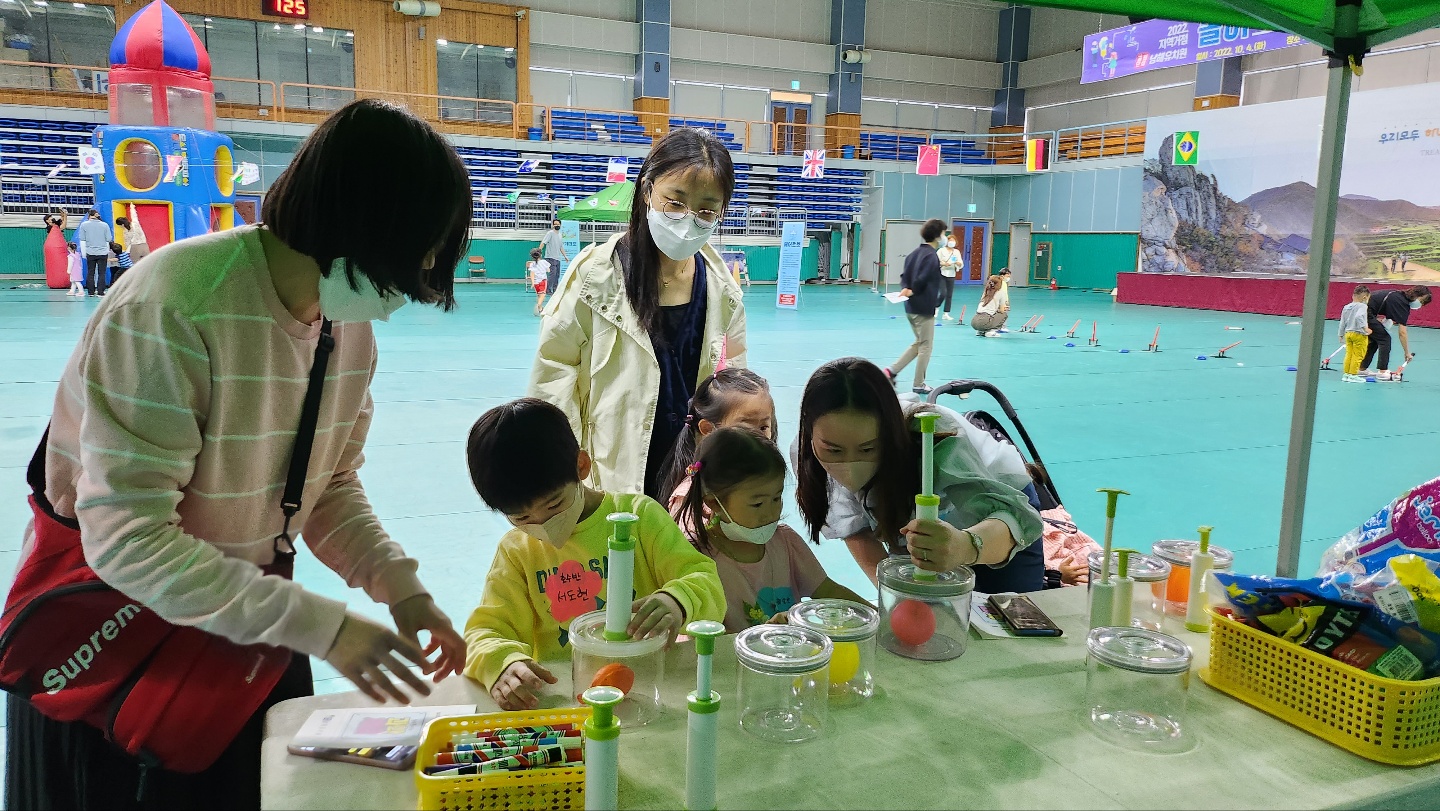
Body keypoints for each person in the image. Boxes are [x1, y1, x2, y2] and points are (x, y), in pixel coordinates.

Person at [4, 98, 472, 810]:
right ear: (367, 223)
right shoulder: (173, 307)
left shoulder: (345, 330)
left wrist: (402, 589)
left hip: (245, 626)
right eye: (422, 249)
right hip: (121, 655)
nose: (420, 277)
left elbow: (328, 486)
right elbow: (129, 540)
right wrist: (329, 627)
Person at [462, 398, 725, 711]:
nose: (542, 525)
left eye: (553, 505)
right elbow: (486, 631)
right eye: (521, 518)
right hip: (568, 700)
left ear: (581, 466)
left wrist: (678, 601)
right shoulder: (517, 551)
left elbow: (706, 581)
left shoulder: (637, 517)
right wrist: (503, 663)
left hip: (648, 693)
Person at [530, 127, 747, 499]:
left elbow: (733, 378)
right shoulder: (594, 275)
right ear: (648, 190)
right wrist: (560, 464)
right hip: (612, 466)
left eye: (707, 211)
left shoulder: (722, 290)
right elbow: (554, 371)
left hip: (692, 474)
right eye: (675, 202)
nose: (687, 220)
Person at [794, 358, 1046, 594]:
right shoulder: (806, 450)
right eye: (833, 450)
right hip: (907, 516)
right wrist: (897, 595)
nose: (850, 465)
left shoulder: (934, 435)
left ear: (891, 432)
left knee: (1009, 617)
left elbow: (1017, 521)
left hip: (1002, 512)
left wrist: (966, 546)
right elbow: (857, 533)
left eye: (868, 448)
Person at [674, 426, 869, 633]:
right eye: (757, 504)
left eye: (776, 498)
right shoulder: (699, 559)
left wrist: (876, 617)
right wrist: (761, 636)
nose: (771, 512)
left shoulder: (785, 542)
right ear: (714, 503)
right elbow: (698, 635)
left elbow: (828, 590)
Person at [658, 367, 776, 502]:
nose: (758, 438)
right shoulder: (690, 496)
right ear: (708, 429)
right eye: (745, 428)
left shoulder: (764, 479)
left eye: (763, 427)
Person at [883, 218, 945, 396]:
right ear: (937, 235)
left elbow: (904, 276)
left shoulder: (913, 254)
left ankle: (891, 371)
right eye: (943, 233)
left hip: (910, 308)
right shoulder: (932, 256)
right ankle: (919, 384)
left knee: (918, 343)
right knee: (926, 346)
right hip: (923, 307)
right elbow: (923, 278)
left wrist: (906, 288)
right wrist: (913, 290)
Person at [1361, 285, 1431, 380]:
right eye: (1421, 301)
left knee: (1376, 339)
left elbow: (1389, 316)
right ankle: (1382, 371)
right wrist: (1407, 353)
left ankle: (1362, 368)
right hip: (1363, 313)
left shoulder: (1399, 296)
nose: (1421, 305)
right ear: (1416, 295)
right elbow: (1402, 332)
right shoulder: (1402, 303)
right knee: (1385, 339)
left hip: (1365, 312)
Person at [1338, 285, 1372, 383]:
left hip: (1348, 333)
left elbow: (1342, 321)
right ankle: (1353, 374)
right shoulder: (1363, 306)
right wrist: (1365, 328)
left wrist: (1340, 334)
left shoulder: (1346, 307)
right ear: (1365, 297)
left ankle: (1346, 374)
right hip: (1359, 334)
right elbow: (1359, 316)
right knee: (1358, 355)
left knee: (1349, 354)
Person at [76, 209, 112, 297]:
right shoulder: (105, 225)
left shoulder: (84, 225)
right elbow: (109, 239)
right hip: (102, 252)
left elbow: (82, 238)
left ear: (89, 215)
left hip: (90, 252)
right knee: (101, 273)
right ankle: (100, 292)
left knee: (90, 272)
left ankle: (91, 292)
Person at [936, 230, 963, 321]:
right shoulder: (941, 250)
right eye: (950, 240)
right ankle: (936, 307)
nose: (951, 242)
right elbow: (935, 261)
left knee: (949, 295)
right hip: (941, 273)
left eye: (953, 240)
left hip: (952, 274)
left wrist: (958, 264)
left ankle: (946, 313)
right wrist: (943, 264)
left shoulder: (956, 252)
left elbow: (960, 263)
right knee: (943, 293)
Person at [971, 272, 1009, 337]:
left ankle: (981, 331)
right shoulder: (1001, 293)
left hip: (974, 321)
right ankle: (991, 331)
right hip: (985, 320)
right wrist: (1001, 309)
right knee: (1004, 314)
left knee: (990, 315)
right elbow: (1002, 310)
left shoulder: (986, 292)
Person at [539, 218, 568, 294]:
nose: (556, 225)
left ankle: (555, 290)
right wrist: (539, 251)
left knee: (557, 275)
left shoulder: (560, 235)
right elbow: (543, 242)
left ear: (560, 225)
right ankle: (548, 289)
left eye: (558, 224)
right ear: (552, 225)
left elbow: (561, 247)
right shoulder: (550, 233)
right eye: (555, 224)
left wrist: (565, 256)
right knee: (553, 274)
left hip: (558, 258)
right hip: (550, 257)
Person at [42, 208, 69, 285]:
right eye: (50, 218)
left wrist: (63, 214)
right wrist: (65, 216)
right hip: (56, 246)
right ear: (47, 220)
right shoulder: (51, 227)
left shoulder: (55, 224)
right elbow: (63, 226)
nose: (52, 218)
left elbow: (61, 219)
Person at [527, 246, 548, 316]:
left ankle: (540, 309)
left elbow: (532, 274)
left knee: (539, 295)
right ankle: (538, 305)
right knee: (543, 294)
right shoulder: (544, 262)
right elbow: (548, 270)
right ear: (540, 255)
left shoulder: (532, 264)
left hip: (536, 282)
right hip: (542, 281)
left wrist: (533, 283)